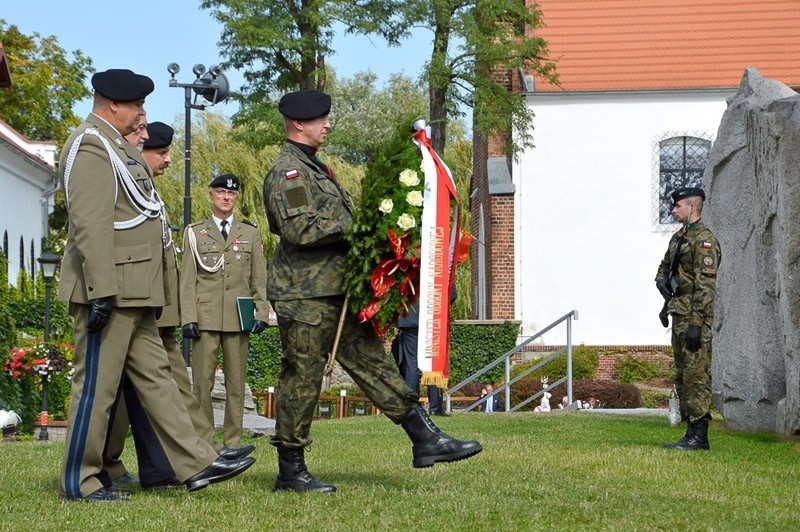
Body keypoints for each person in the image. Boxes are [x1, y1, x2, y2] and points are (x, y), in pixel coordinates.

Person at [262, 89, 482, 493]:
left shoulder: (316, 168)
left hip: (335, 292)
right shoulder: (288, 172)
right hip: (304, 295)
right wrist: (358, 227)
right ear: (298, 123)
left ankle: (425, 438)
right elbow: (299, 229)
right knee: (303, 377)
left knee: (374, 363)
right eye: (321, 120)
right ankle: (290, 470)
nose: (328, 125)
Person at [57, 68, 255, 501]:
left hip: (135, 291)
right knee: (96, 389)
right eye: (137, 105)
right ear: (114, 104)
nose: (142, 115)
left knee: (159, 381)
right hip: (110, 291)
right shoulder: (91, 146)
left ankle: (196, 462)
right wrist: (102, 289)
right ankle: (80, 480)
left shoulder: (112, 146)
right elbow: (90, 224)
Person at [181, 174, 270, 450]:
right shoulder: (195, 232)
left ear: (236, 197)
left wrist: (261, 312)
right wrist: (188, 318)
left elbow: (259, 278)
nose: (226, 197)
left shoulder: (250, 233)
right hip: (205, 318)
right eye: (221, 192)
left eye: (231, 193)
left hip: (237, 317)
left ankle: (232, 443)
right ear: (211, 195)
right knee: (201, 385)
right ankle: (205, 442)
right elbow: (187, 279)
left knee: (236, 385)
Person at [656, 186, 720, 451]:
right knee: (683, 373)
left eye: (677, 206)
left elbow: (706, 288)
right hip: (679, 313)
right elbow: (664, 266)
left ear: (692, 207)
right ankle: (690, 431)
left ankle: (699, 435)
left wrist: (696, 324)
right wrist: (661, 281)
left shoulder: (704, 241)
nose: (673, 210)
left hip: (695, 319)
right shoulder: (678, 238)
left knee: (697, 375)